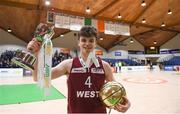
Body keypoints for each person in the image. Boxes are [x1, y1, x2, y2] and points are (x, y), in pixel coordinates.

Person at [27, 25, 130, 113]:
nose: (87, 43)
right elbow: (38, 78)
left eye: (91, 40)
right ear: (78, 42)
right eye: (83, 40)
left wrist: (126, 103)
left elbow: (116, 91)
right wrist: (36, 54)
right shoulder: (68, 65)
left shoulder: (105, 66)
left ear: (95, 43)